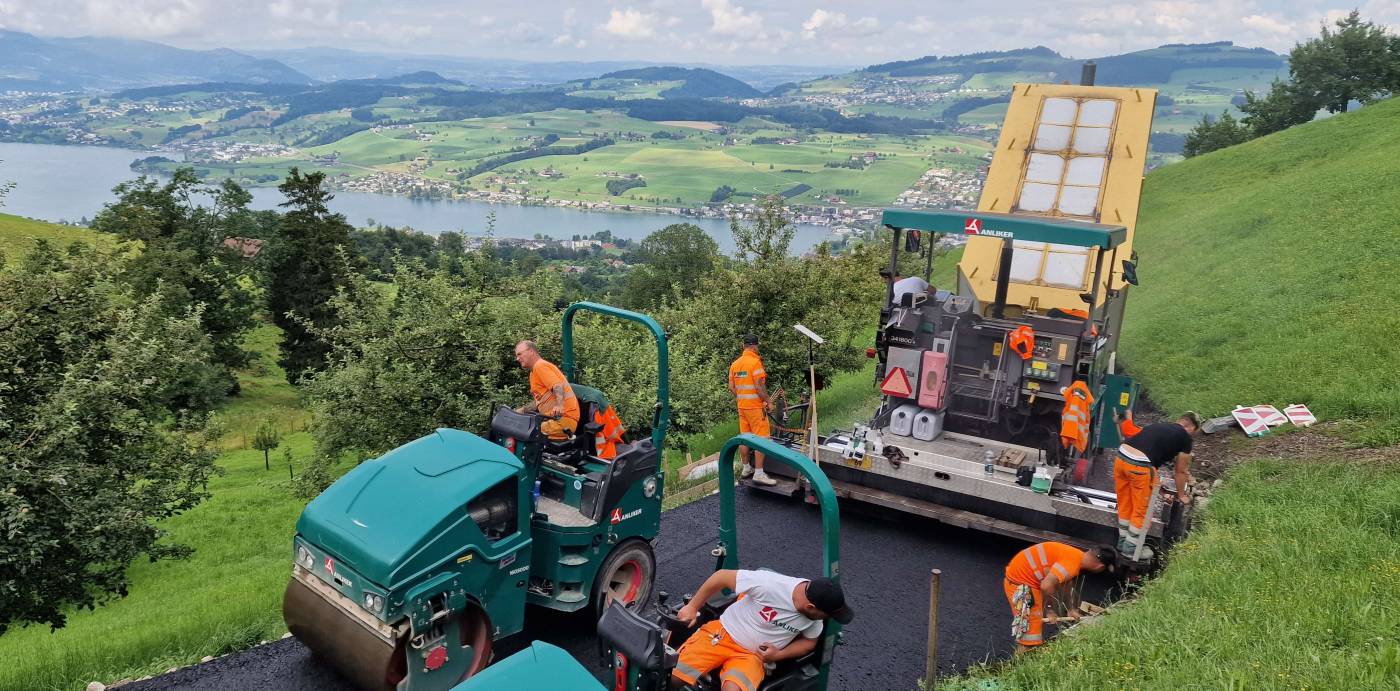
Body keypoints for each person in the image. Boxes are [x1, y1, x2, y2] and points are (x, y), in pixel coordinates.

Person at [671, 569, 853, 691]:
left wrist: (777, 655)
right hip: (721, 634)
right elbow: (721, 576)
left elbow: (809, 643)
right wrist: (693, 607)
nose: (825, 620)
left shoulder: (814, 616)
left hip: (752, 657)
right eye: (825, 615)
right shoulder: (770, 585)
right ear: (811, 606)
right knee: (674, 678)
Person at [1113, 409, 1202, 559]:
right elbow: (1180, 471)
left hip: (1121, 458)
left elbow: (1151, 460)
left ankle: (1123, 543)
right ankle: (1131, 550)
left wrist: (1158, 488)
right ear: (1192, 427)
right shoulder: (1185, 438)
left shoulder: (1160, 426)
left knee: (1126, 504)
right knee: (1141, 510)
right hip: (1140, 465)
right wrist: (1181, 495)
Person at [1003, 542, 1113, 652]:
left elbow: (1066, 583)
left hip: (1025, 578)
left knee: (1033, 626)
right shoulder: (1071, 564)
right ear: (1100, 567)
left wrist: (1071, 609)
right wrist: (1050, 610)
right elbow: (1046, 586)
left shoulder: (1077, 556)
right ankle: (1022, 660)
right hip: (1020, 585)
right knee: (1030, 634)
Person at [729, 334, 776, 486]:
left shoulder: (735, 364)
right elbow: (759, 386)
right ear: (755, 346)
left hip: (742, 407)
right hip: (755, 408)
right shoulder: (755, 363)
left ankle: (746, 468)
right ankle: (759, 473)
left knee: (745, 437)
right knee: (762, 439)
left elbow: (731, 387)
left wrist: (742, 398)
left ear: (744, 346)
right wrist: (768, 401)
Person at [513, 340, 580, 441]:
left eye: (519, 354)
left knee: (522, 429)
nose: (517, 358)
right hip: (551, 420)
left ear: (531, 351)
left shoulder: (540, 366)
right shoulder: (533, 373)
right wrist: (522, 410)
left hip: (563, 420)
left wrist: (559, 405)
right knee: (517, 425)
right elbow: (540, 401)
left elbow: (557, 386)